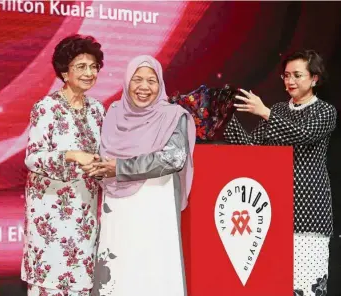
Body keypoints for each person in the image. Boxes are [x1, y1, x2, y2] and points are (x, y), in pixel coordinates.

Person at [224, 49, 337, 296]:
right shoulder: (279, 110)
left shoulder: (325, 111)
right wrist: (225, 118)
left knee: (306, 288)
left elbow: (303, 135)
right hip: (271, 210)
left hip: (309, 212)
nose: (290, 81)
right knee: (272, 286)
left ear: (314, 78)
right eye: (286, 75)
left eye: (297, 75)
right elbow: (252, 150)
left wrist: (265, 113)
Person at [87, 55, 196, 296]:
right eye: (137, 79)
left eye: (151, 80)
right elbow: (103, 155)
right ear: (127, 82)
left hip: (154, 205)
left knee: (152, 269)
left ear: (160, 85)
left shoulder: (172, 115)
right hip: (117, 207)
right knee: (119, 267)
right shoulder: (114, 113)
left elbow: (174, 158)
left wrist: (120, 168)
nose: (144, 87)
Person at [21, 34, 105, 296]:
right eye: (81, 66)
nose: (89, 73)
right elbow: (33, 157)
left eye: (93, 67)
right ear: (64, 71)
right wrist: (71, 155)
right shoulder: (46, 108)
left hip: (84, 215)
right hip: (51, 216)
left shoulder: (98, 110)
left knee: (81, 286)